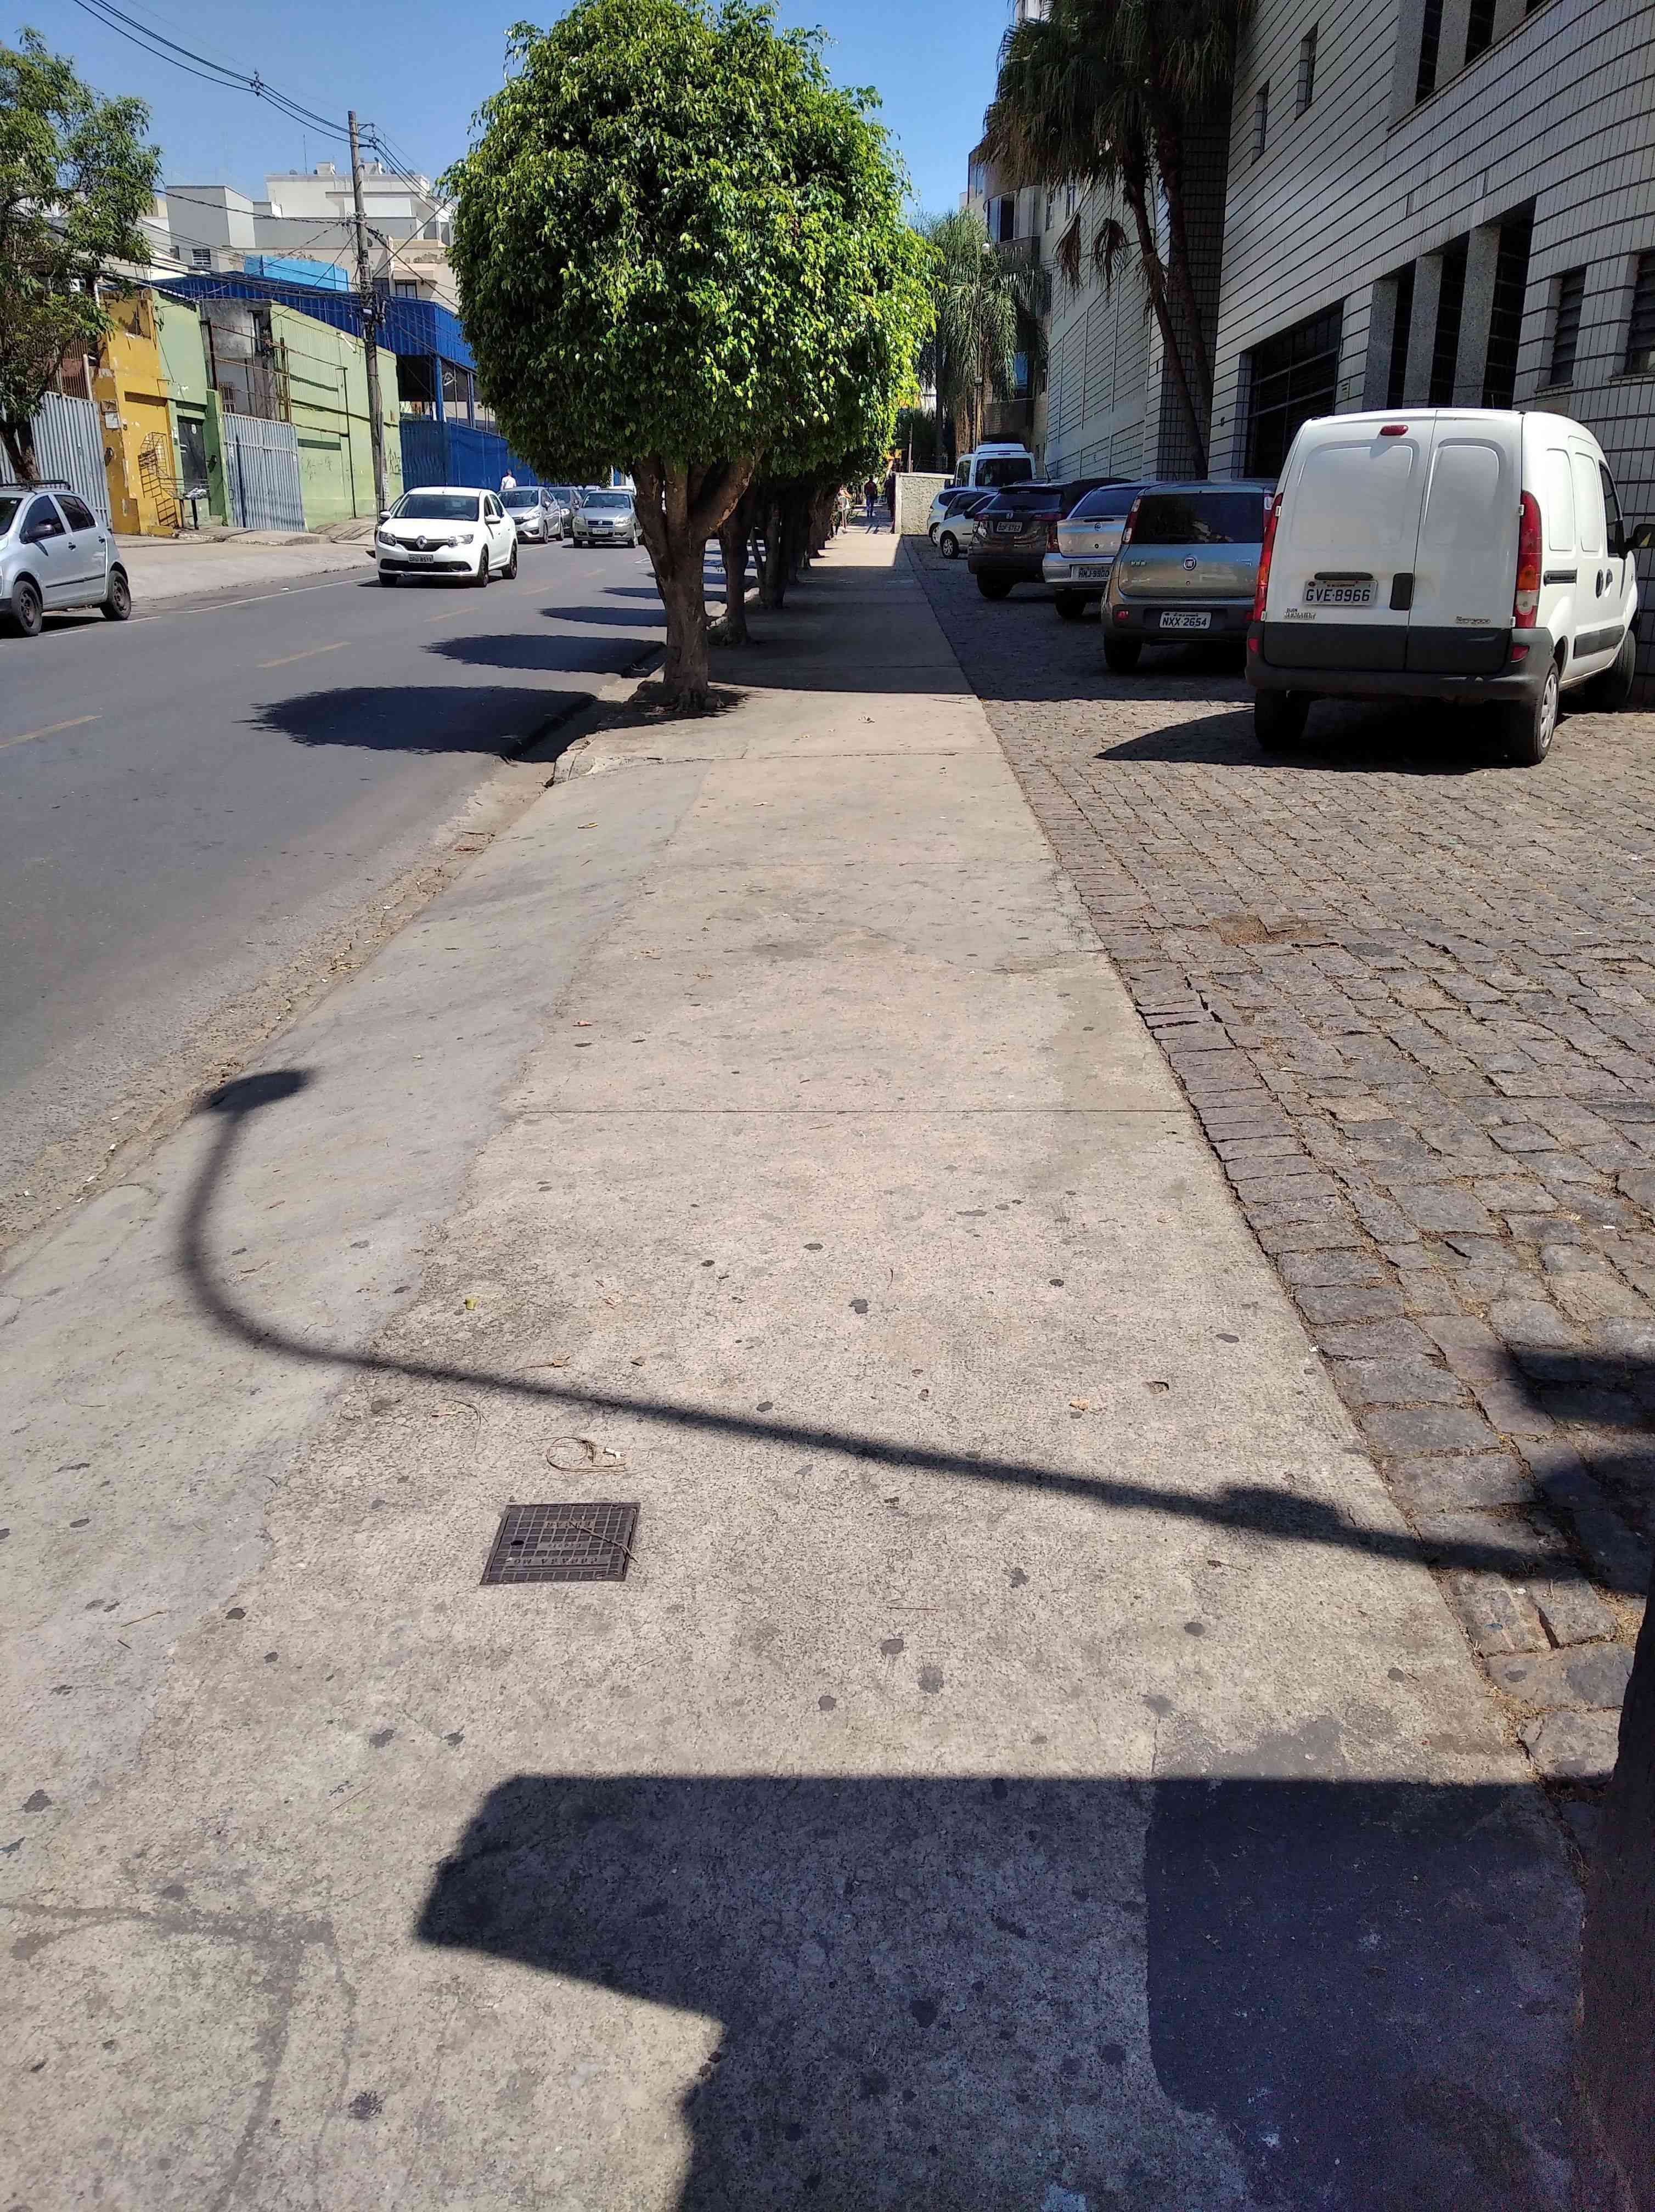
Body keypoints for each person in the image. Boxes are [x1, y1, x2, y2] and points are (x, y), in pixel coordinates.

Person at [883, 467, 897, 535]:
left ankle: (892, 515)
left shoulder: (889, 481)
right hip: (893, 495)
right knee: (893, 506)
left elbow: (885, 487)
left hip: (890, 495)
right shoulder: (895, 482)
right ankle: (893, 515)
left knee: (891, 505)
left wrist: (886, 494)